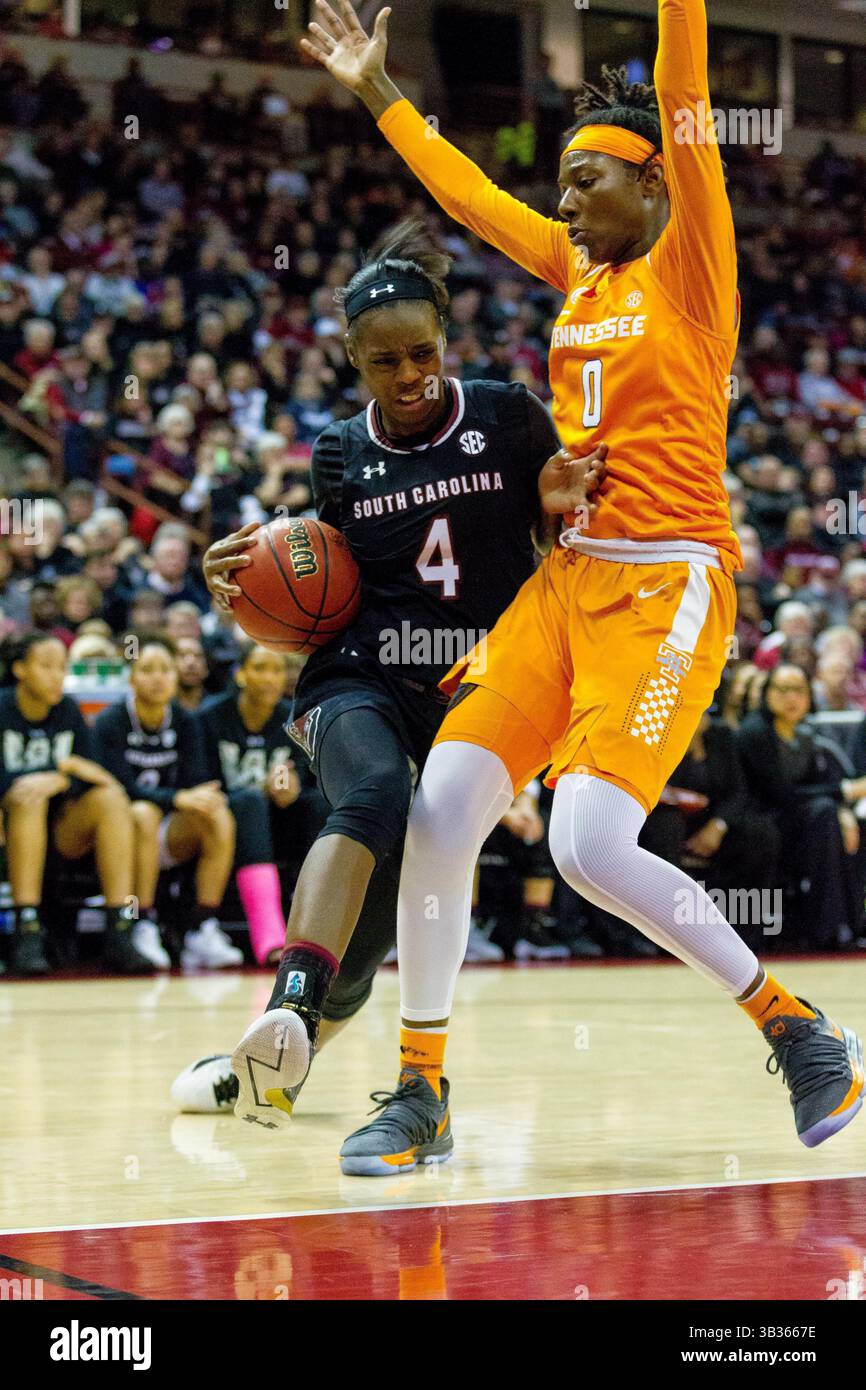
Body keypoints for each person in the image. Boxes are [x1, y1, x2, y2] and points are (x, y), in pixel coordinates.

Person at [297, 0, 864, 1174]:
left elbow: (682, 75)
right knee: (441, 805)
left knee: (585, 843)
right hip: (567, 584)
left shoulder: (692, 263)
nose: (561, 202)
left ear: (655, 184)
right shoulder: (576, 271)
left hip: (667, 587)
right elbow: (470, 200)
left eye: (584, 181)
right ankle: (420, 1089)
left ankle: (795, 1028)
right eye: (558, 184)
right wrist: (379, 93)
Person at [198, 219, 605, 1124]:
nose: (411, 375)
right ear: (351, 358)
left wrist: (550, 516)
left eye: (423, 353)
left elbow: (550, 543)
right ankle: (292, 1001)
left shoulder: (505, 415)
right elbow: (320, 580)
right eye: (386, 363)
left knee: (382, 924)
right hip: (359, 676)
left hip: (474, 688)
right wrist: (235, 579)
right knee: (374, 791)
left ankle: (274, 1058)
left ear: (446, 341)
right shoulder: (338, 453)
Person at [0, 632, 147, 976]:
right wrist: (49, 774)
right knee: (29, 795)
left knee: (110, 800)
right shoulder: (3, 708)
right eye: (46, 666)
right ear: (20, 669)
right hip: (12, 830)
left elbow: (95, 771)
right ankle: (27, 930)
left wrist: (63, 779)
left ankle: (121, 927)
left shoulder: (67, 709)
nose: (57, 676)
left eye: (62, 667)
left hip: (63, 832)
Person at [90, 635, 240, 971]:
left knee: (217, 814)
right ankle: (143, 921)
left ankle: (202, 927)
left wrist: (193, 798)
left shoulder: (188, 721)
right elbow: (120, 788)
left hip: (170, 832)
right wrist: (177, 797)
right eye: (148, 670)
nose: (158, 678)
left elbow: (198, 782)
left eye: (166, 670)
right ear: (131, 678)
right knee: (142, 812)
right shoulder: (110, 722)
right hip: (122, 835)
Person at [196, 643, 318, 966]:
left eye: (277, 670)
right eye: (260, 668)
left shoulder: (293, 720)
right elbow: (203, 784)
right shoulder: (211, 716)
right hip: (226, 824)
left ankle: (324, 931)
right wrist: (258, 789)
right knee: (250, 802)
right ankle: (269, 933)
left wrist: (289, 790)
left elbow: (303, 779)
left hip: (277, 821)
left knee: (318, 805)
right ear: (240, 675)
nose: (269, 678)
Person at [736, 665, 861, 950]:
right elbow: (780, 794)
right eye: (782, 690)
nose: (791, 698)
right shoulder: (755, 732)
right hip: (760, 821)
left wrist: (842, 810)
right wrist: (845, 792)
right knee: (824, 816)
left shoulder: (805, 735)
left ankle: (847, 923)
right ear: (766, 694)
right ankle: (828, 928)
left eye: (799, 690)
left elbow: (814, 788)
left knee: (838, 820)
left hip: (799, 821)